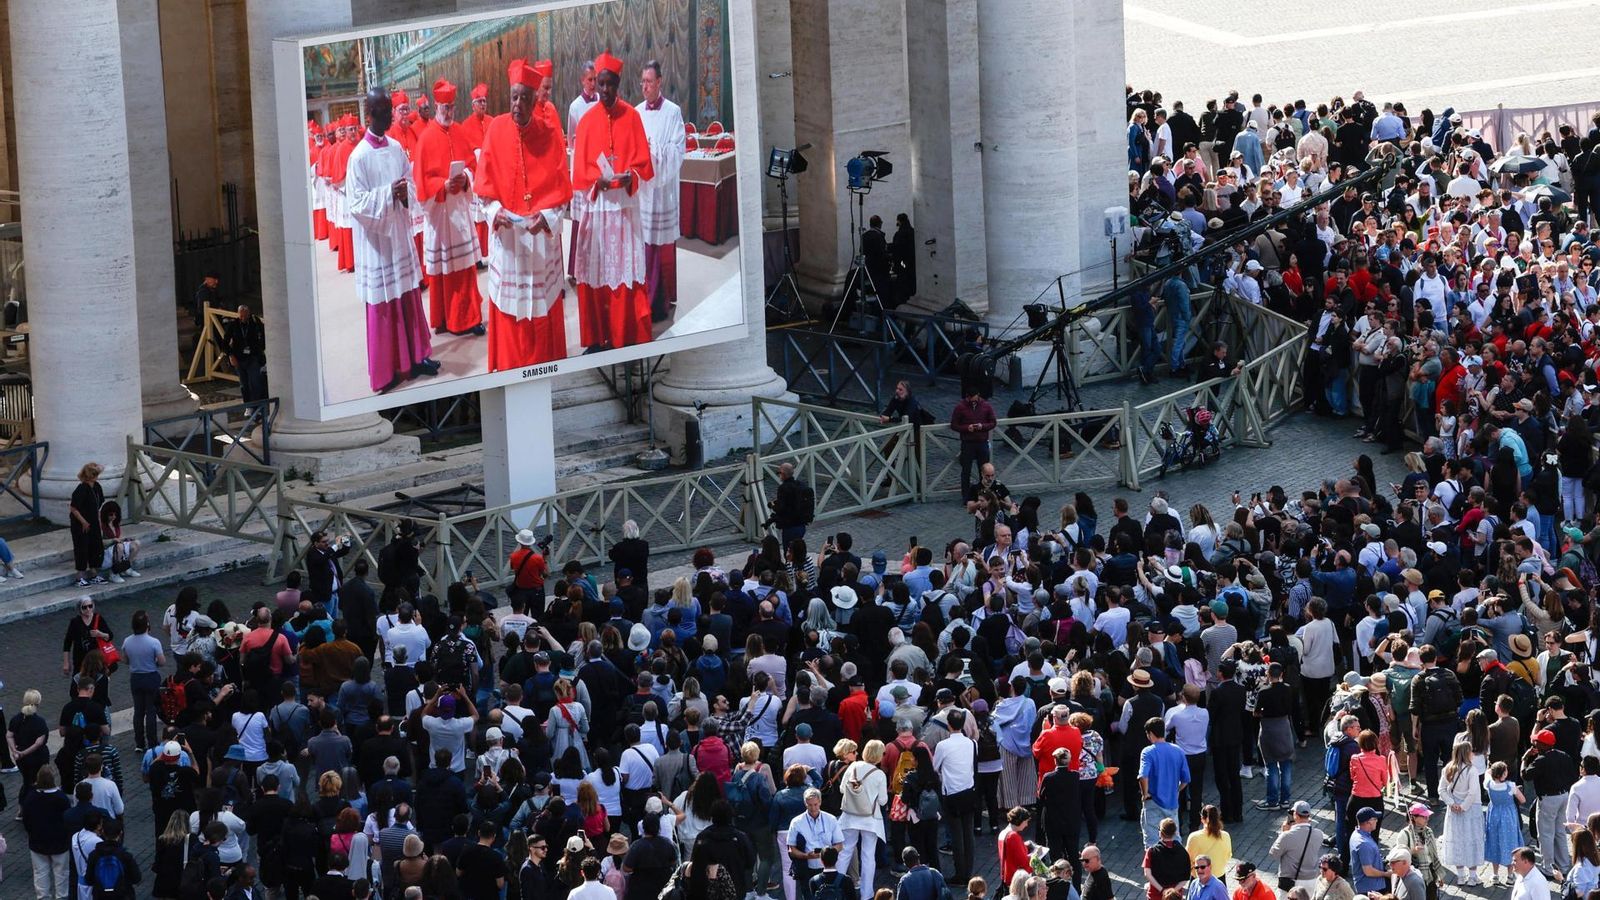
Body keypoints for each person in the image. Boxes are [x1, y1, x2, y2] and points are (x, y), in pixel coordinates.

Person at [478, 59, 574, 370]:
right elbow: (483, 193)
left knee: (542, 311)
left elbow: (561, 196)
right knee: (511, 313)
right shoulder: (495, 130)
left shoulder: (548, 134)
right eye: (514, 97)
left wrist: (546, 218)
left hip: (539, 243)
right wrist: (494, 212)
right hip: (509, 243)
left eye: (524, 98)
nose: (518, 104)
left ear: (535, 101)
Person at [346, 86, 439, 394]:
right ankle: (386, 371)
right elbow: (356, 205)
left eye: (389, 109)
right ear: (369, 115)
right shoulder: (358, 158)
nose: (389, 115)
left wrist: (403, 194)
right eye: (383, 111)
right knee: (384, 304)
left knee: (409, 295)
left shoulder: (397, 148)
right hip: (377, 244)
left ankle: (417, 357)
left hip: (397, 234)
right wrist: (388, 194)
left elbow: (411, 185)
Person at [572, 51, 655, 353]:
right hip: (598, 209)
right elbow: (580, 172)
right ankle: (597, 337)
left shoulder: (632, 116)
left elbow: (644, 165)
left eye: (610, 85)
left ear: (618, 84)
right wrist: (598, 180)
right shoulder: (586, 121)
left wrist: (631, 175)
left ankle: (625, 334)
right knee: (597, 272)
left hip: (624, 210)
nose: (604, 91)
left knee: (622, 272)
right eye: (600, 84)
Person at [412, 78, 485, 338]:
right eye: (444, 107)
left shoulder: (459, 132)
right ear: (436, 106)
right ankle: (445, 318)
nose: (449, 112)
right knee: (445, 270)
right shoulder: (426, 138)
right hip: (440, 212)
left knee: (465, 267)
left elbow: (473, 167)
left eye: (452, 106)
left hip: (459, 209)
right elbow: (421, 182)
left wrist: (465, 178)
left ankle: (470, 316)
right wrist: (443, 185)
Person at [636, 60, 685, 323]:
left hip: (663, 189)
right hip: (643, 192)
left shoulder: (673, 112)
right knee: (645, 245)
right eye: (642, 81)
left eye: (649, 81)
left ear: (660, 82)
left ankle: (662, 298)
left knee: (662, 245)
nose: (644, 86)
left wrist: (656, 155)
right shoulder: (636, 112)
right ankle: (646, 296)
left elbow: (678, 149)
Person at [950, 385, 996, 503]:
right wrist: (966, 428)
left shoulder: (986, 406)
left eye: (975, 398)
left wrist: (982, 426)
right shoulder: (960, 407)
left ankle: (984, 496)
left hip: (982, 442)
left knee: (985, 471)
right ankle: (966, 498)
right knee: (966, 471)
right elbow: (954, 425)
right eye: (970, 399)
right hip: (967, 443)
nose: (972, 401)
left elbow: (993, 422)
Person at [1271, 800, 1326, 894]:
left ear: (1295, 815)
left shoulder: (1287, 836)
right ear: (1309, 816)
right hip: (1311, 881)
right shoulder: (1319, 834)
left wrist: (1283, 833)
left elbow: (1273, 854)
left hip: (1290, 883)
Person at [221, 304, 267, 412]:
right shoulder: (234, 324)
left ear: (249, 314)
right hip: (239, 358)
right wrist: (231, 355)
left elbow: (264, 335)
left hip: (253, 357)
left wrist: (260, 349)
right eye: (241, 316)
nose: (243, 318)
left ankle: (257, 406)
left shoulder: (255, 323)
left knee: (255, 382)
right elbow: (225, 342)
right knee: (244, 384)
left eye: (245, 316)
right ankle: (248, 406)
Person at [68, 463, 105, 586]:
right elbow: (74, 508)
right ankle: (80, 576)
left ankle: (94, 573)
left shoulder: (97, 487)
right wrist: (84, 522)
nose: (96, 477)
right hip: (80, 523)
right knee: (82, 548)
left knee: (95, 546)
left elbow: (98, 505)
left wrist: (99, 521)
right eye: (94, 474)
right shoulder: (81, 489)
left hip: (93, 521)